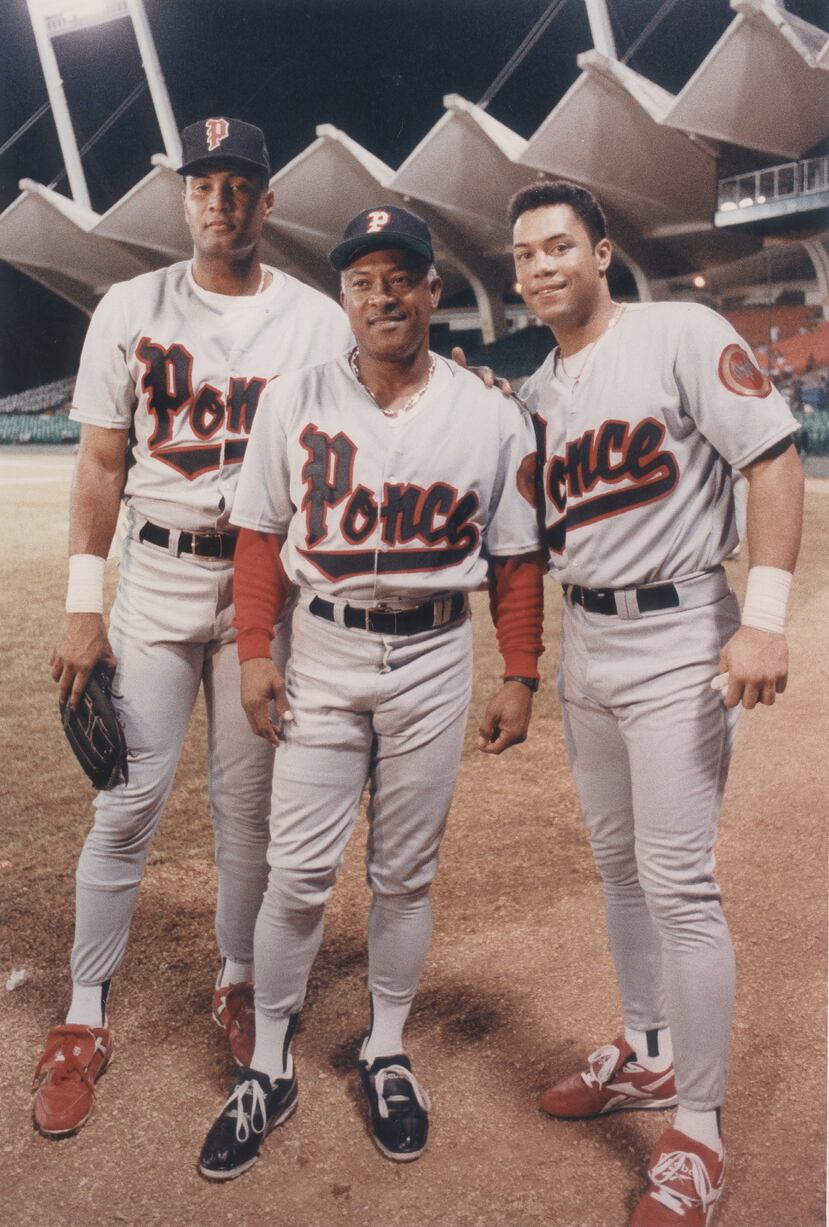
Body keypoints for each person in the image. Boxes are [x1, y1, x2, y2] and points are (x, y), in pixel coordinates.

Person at [196, 204, 545, 1179]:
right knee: (298, 872)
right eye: (363, 279)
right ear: (344, 296)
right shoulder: (293, 398)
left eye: (401, 276)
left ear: (433, 290)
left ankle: (386, 1048)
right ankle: (266, 1063)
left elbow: (515, 563)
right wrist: (255, 653)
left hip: (436, 660)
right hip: (325, 651)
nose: (383, 293)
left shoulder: (489, 413)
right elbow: (259, 533)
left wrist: (519, 672)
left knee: (404, 875)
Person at [32, 118, 353, 1138]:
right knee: (124, 808)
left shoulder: (315, 319)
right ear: (184, 199)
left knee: (246, 818)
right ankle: (83, 1014)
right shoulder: (132, 305)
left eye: (241, 183)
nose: (222, 200)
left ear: (269, 202)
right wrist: (85, 606)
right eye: (204, 183)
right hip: (159, 585)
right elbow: (97, 465)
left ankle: (238, 980)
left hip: (265, 594)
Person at [509, 179, 803, 1226]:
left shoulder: (677, 330)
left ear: (597, 253)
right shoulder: (541, 388)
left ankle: (699, 1129)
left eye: (558, 247)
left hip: (681, 634)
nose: (541, 267)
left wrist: (761, 618)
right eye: (524, 255)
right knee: (619, 869)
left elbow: (771, 459)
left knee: (676, 882)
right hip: (587, 640)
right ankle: (644, 1051)